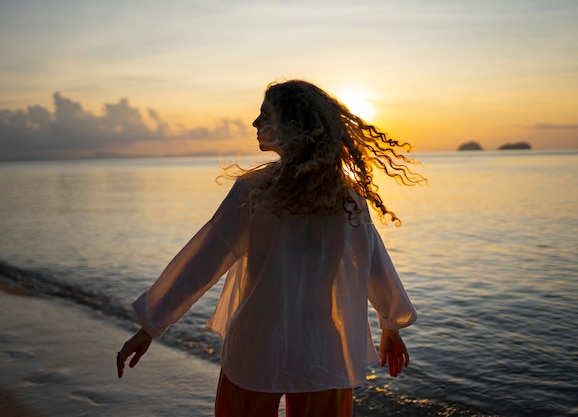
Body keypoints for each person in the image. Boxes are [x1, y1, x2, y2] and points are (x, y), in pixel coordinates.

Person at [116, 79, 424, 417]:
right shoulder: (347, 197)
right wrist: (390, 324)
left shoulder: (254, 191)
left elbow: (203, 262)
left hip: (256, 344)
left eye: (265, 116)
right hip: (321, 350)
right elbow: (374, 263)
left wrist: (150, 326)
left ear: (291, 126)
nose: (255, 124)